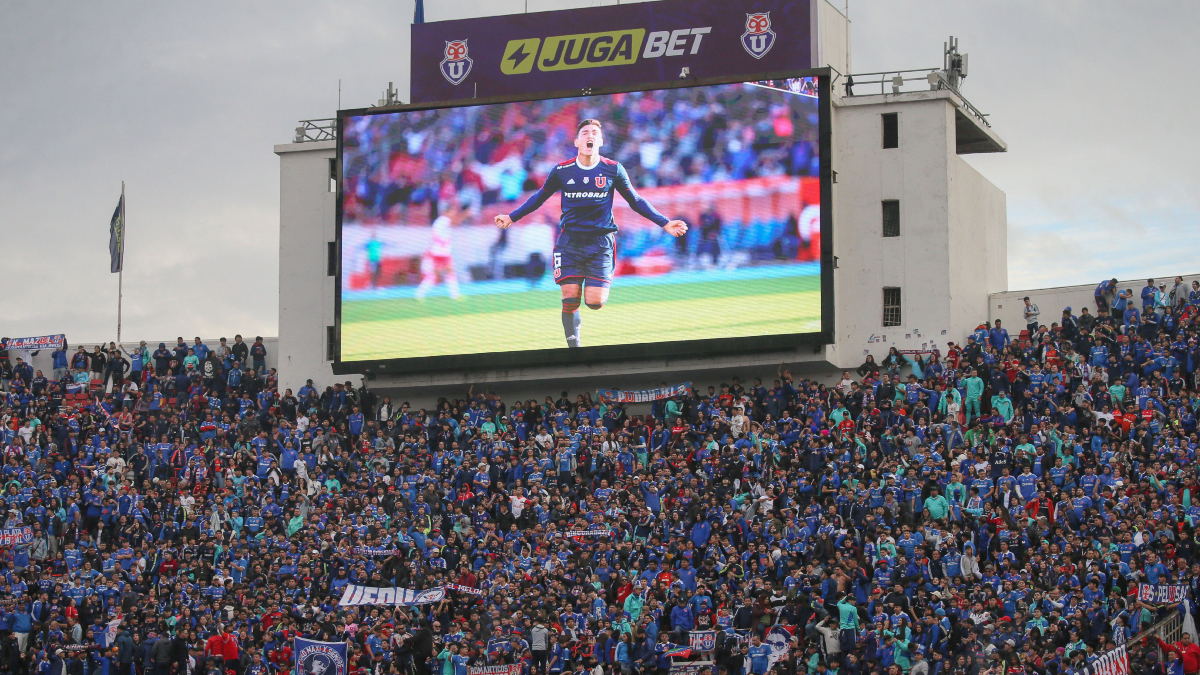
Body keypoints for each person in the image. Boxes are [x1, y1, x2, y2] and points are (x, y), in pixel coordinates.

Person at [494, 119, 688, 348]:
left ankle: (592, 287)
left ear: (601, 141)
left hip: (601, 243)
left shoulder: (613, 169)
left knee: (595, 302)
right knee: (570, 298)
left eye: (595, 133)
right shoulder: (562, 171)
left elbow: (635, 201)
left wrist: (664, 223)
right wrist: (511, 217)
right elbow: (538, 198)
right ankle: (573, 345)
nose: (590, 136)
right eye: (585, 132)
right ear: (577, 142)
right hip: (570, 243)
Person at [415, 203, 463, 301]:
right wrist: (465, 214)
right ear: (447, 212)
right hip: (442, 252)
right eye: (452, 212)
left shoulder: (438, 221)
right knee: (450, 271)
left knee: (436, 274)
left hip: (437, 251)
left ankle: (420, 293)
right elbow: (455, 223)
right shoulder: (444, 220)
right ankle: (455, 295)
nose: (453, 214)